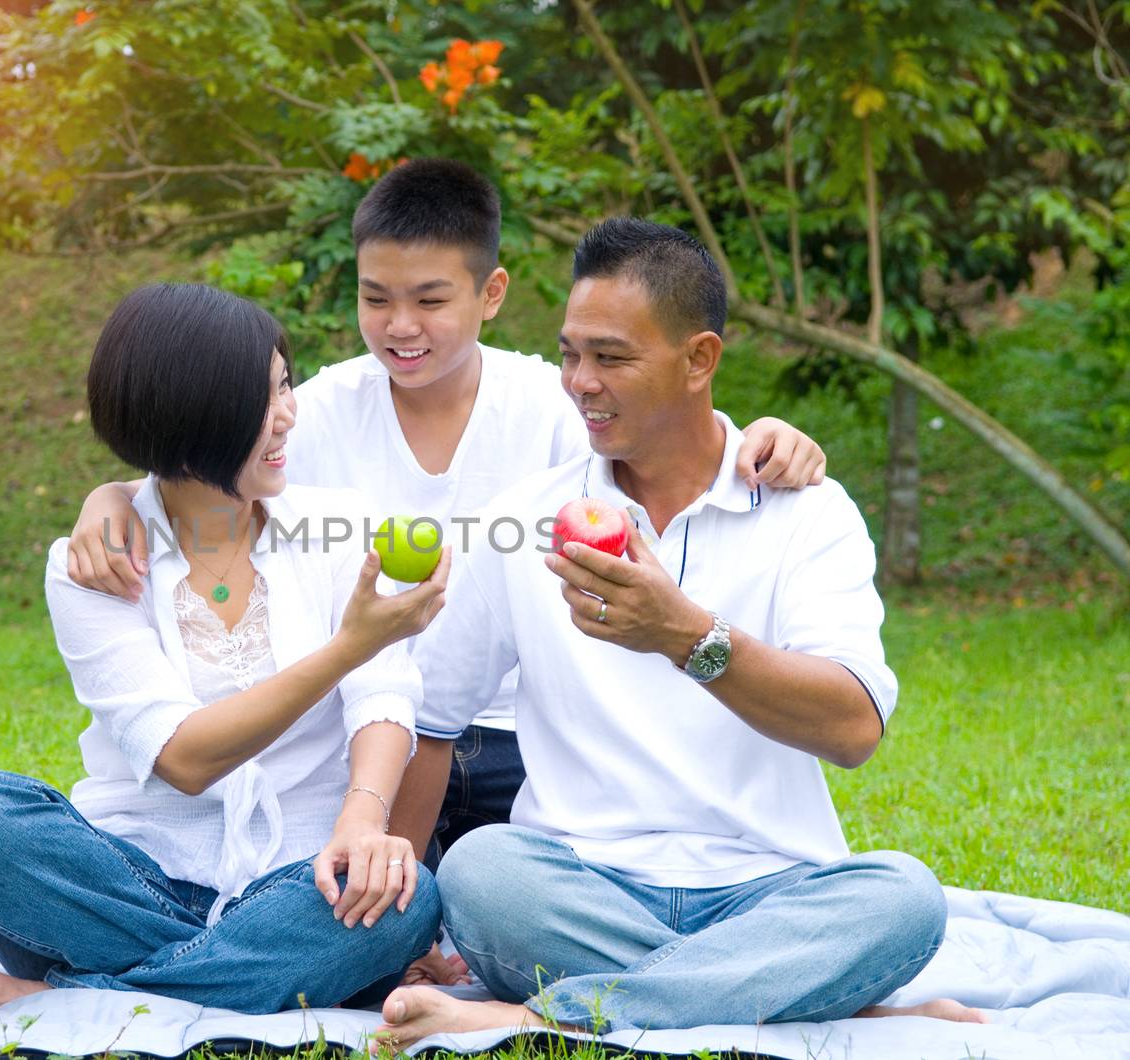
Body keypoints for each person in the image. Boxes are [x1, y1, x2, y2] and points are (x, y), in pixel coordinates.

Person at [63, 161, 827, 933]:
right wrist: (116, 497)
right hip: (370, 742)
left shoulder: (552, 407)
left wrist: (766, 437)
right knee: (398, 901)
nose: (400, 326)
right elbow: (211, 468)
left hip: (522, 741)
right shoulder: (321, 411)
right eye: (375, 298)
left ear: (490, 294)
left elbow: (665, 435)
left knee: (466, 891)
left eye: (430, 300)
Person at [375, 218, 984, 1045]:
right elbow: (432, 721)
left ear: (700, 359)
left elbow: (851, 729)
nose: (580, 382)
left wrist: (684, 635)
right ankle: (793, 990)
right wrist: (398, 933)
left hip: (770, 887)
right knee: (482, 871)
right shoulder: (524, 520)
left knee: (903, 898)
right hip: (579, 885)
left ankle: (533, 1014)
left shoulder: (807, 513)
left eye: (611, 357)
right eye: (569, 354)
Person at [0, 283, 448, 1016]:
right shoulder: (96, 563)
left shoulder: (340, 523)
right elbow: (184, 757)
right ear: (192, 417)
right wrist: (350, 646)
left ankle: (68, 996)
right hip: (130, 884)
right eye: (263, 401)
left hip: (301, 882)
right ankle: (227, 980)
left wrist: (362, 822)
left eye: (285, 384)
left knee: (409, 895)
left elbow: (382, 694)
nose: (289, 414)